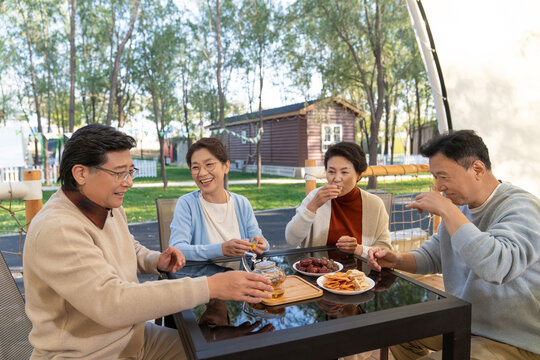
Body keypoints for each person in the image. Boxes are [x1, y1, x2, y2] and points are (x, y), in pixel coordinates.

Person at [23, 124, 273, 360]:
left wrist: (156, 261)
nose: (129, 182)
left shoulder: (107, 205)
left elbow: (128, 246)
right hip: (90, 353)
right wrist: (210, 287)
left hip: (133, 336)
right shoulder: (58, 228)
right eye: (119, 173)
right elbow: (112, 303)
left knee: (227, 350)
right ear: (80, 173)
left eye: (130, 171)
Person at [368, 130, 540, 359]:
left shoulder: (521, 207)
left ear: (477, 169)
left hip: (513, 337)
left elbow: (496, 266)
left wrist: (446, 210)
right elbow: (435, 255)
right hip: (464, 319)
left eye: (444, 177)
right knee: (396, 335)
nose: (438, 186)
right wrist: (397, 259)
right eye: (435, 177)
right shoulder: (460, 208)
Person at [285, 141, 392, 257]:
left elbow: (385, 250)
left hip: (360, 273)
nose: (336, 179)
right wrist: (312, 207)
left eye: (344, 172)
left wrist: (359, 249)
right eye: (331, 171)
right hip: (318, 272)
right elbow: (291, 240)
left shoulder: (375, 204)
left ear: (359, 175)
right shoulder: (315, 197)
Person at [169, 137, 268, 261]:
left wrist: (262, 245)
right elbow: (176, 249)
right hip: (206, 278)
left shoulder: (242, 203)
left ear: (226, 166)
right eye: (195, 167)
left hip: (243, 275)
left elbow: (258, 240)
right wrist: (221, 249)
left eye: (209, 164)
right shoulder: (187, 204)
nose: (202, 173)